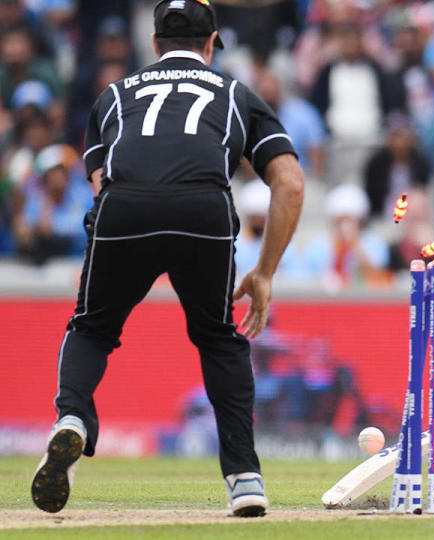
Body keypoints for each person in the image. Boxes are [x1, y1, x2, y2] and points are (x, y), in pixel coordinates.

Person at [30, 0, 304, 518]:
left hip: (124, 207)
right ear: (211, 43)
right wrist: (264, 272)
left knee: (91, 328)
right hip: (203, 209)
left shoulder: (113, 96)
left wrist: (104, 250)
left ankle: (72, 419)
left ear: (154, 44)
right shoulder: (233, 93)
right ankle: (244, 479)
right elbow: (289, 181)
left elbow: (99, 183)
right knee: (217, 338)